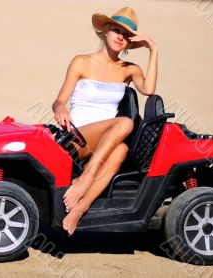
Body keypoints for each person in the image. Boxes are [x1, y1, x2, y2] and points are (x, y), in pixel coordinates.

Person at [51, 7, 158, 236]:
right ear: (105, 32)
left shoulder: (129, 70)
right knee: (125, 124)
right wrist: (61, 109)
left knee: (120, 149)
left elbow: (149, 89)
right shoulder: (81, 61)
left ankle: (80, 208)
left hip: (105, 143)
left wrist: (153, 49)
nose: (121, 37)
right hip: (77, 139)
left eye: (127, 35)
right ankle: (85, 178)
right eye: (116, 30)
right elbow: (59, 101)